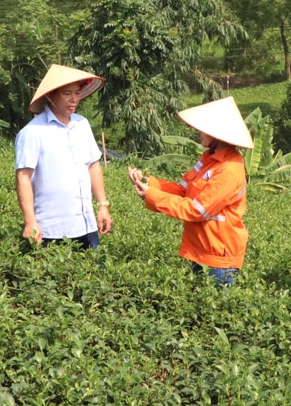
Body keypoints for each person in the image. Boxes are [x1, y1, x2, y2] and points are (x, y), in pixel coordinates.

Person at [128, 96, 254, 286]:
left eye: (203, 128)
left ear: (217, 133)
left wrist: (151, 195)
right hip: (201, 251)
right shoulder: (208, 160)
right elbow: (182, 190)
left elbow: (197, 210)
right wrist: (147, 182)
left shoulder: (228, 170)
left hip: (219, 259)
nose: (198, 131)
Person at [15, 64, 112, 248]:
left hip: (86, 225)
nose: (74, 99)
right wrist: (30, 221)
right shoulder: (33, 131)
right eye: (67, 93)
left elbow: (93, 165)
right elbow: (23, 177)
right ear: (51, 95)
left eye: (76, 93)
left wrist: (103, 205)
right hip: (52, 229)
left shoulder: (82, 124)